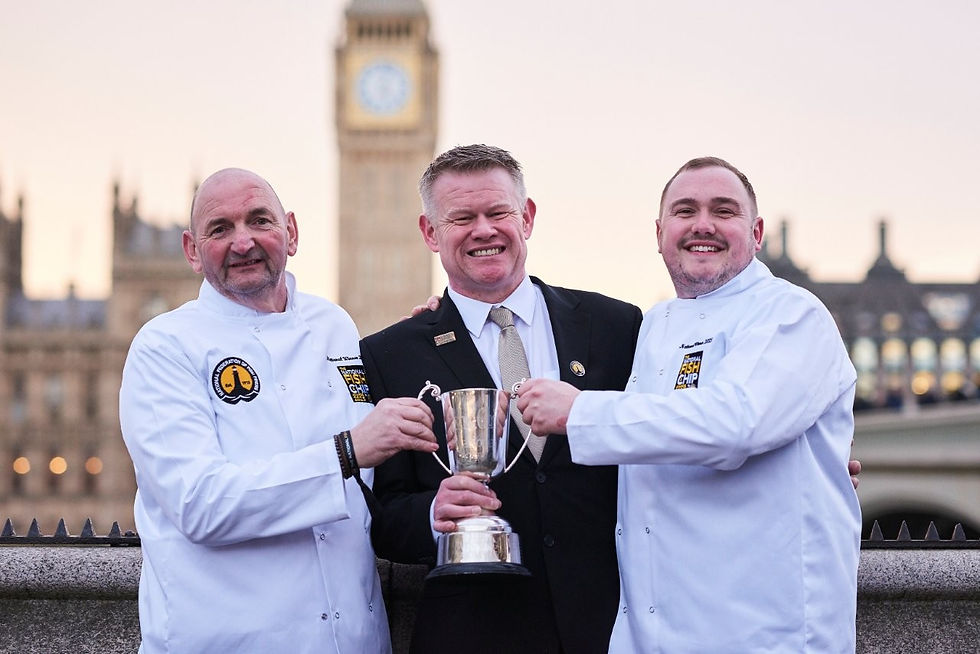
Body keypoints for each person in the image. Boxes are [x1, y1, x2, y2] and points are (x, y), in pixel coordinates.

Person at [517, 156, 862, 652]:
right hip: (650, 635)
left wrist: (580, 412)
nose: (703, 225)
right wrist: (447, 313)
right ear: (659, 232)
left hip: (763, 634)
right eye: (685, 211)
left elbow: (735, 423)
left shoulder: (792, 314)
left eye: (724, 211)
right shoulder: (656, 325)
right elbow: (652, 443)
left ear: (757, 230)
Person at [118, 167, 439, 654]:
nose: (242, 242)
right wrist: (346, 453)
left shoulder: (333, 325)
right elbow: (200, 505)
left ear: (290, 231)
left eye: (259, 220)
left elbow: (374, 459)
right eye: (220, 229)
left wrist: (423, 350)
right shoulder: (164, 346)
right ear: (191, 250)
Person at [360, 144, 644, 653]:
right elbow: (379, 516)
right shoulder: (387, 354)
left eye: (498, 213)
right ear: (430, 233)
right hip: (473, 633)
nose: (483, 230)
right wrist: (432, 513)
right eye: (461, 217)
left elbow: (672, 437)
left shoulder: (618, 326)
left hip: (611, 627)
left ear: (527, 218)